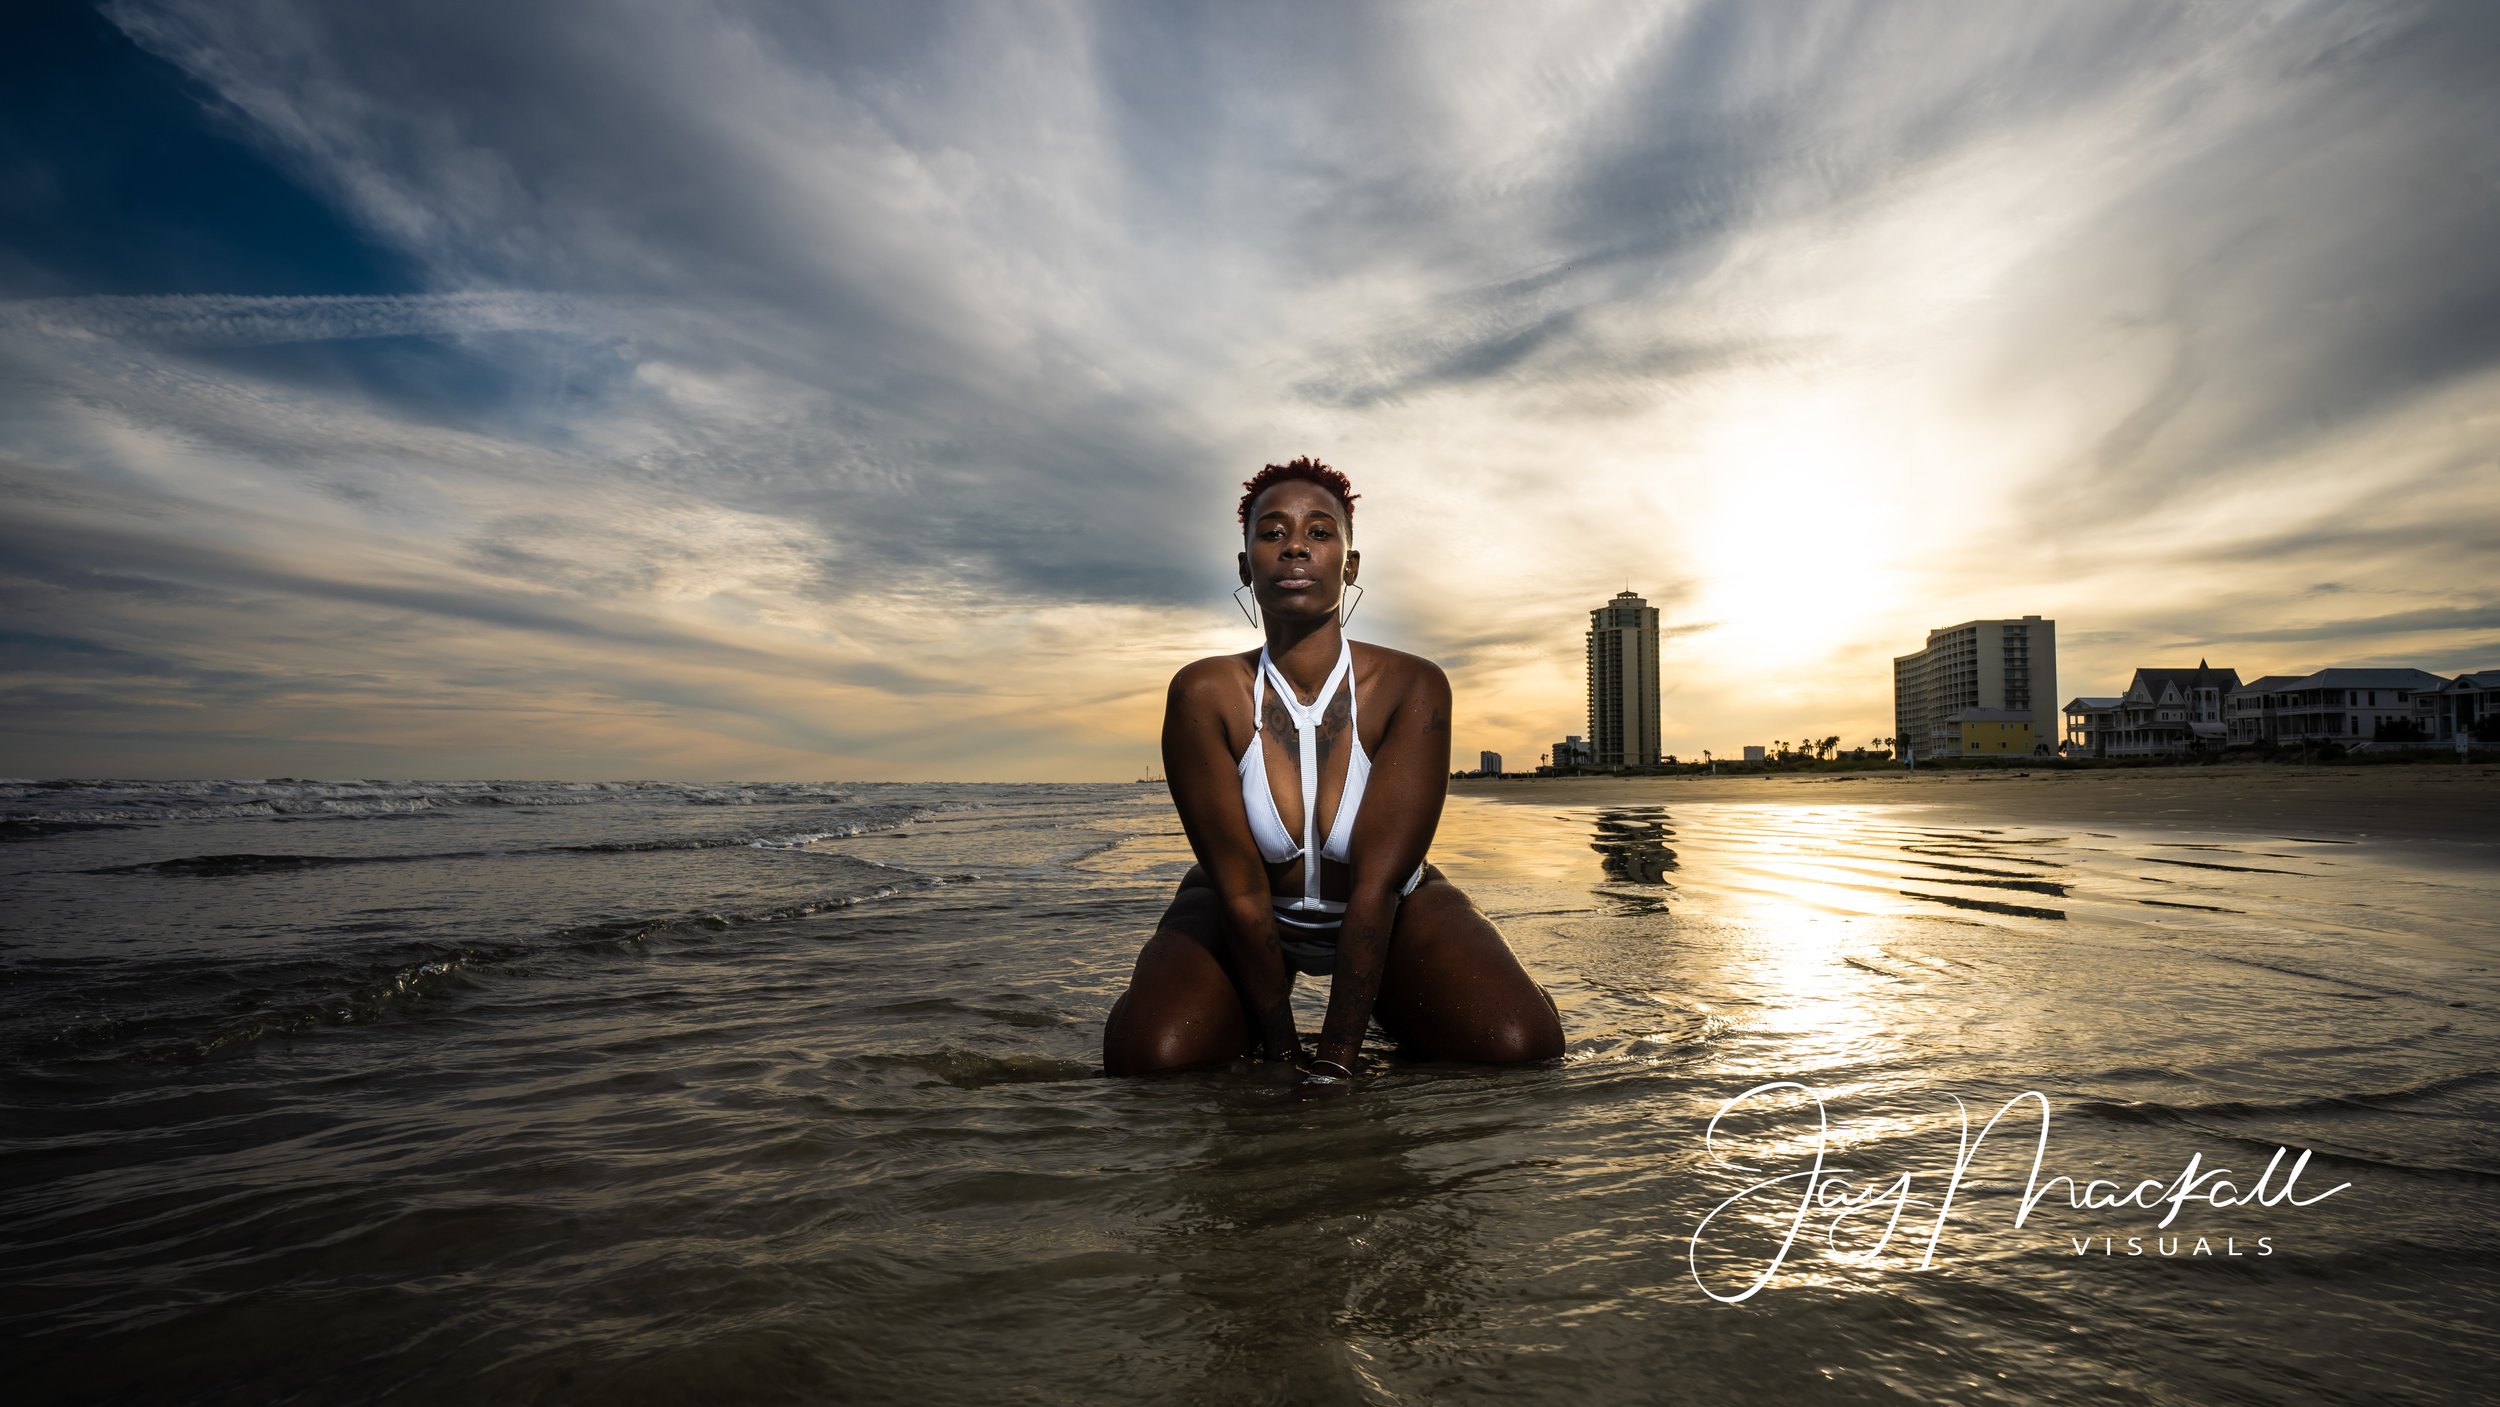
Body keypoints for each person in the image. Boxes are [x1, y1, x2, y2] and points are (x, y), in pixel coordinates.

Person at [1102, 456, 1565, 1088]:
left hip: (1391, 909)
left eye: (1319, 533)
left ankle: (1385, 1006)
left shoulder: (1412, 685)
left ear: (1348, 566)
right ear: (1245, 566)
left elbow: (1376, 887)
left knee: (1523, 1045)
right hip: (1239, 912)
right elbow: (1240, 894)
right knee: (1147, 1061)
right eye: (1272, 533)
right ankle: (1263, 1018)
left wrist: (1336, 1063)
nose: (1295, 545)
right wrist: (1281, 1055)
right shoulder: (1204, 692)